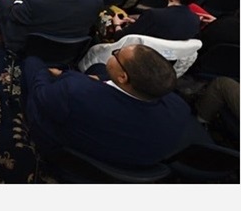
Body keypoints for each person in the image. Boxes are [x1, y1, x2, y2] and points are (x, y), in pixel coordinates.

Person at [22, 44, 198, 167]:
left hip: (67, 150)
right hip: (131, 162)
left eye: (117, 54)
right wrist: (97, 80)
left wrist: (53, 76)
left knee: (33, 64)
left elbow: (41, 96)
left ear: (123, 78)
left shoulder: (75, 90)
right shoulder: (180, 108)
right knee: (98, 68)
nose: (114, 54)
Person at [111, 0, 205, 42]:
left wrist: (116, 24)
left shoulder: (154, 15)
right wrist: (139, 23)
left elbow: (120, 37)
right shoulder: (195, 20)